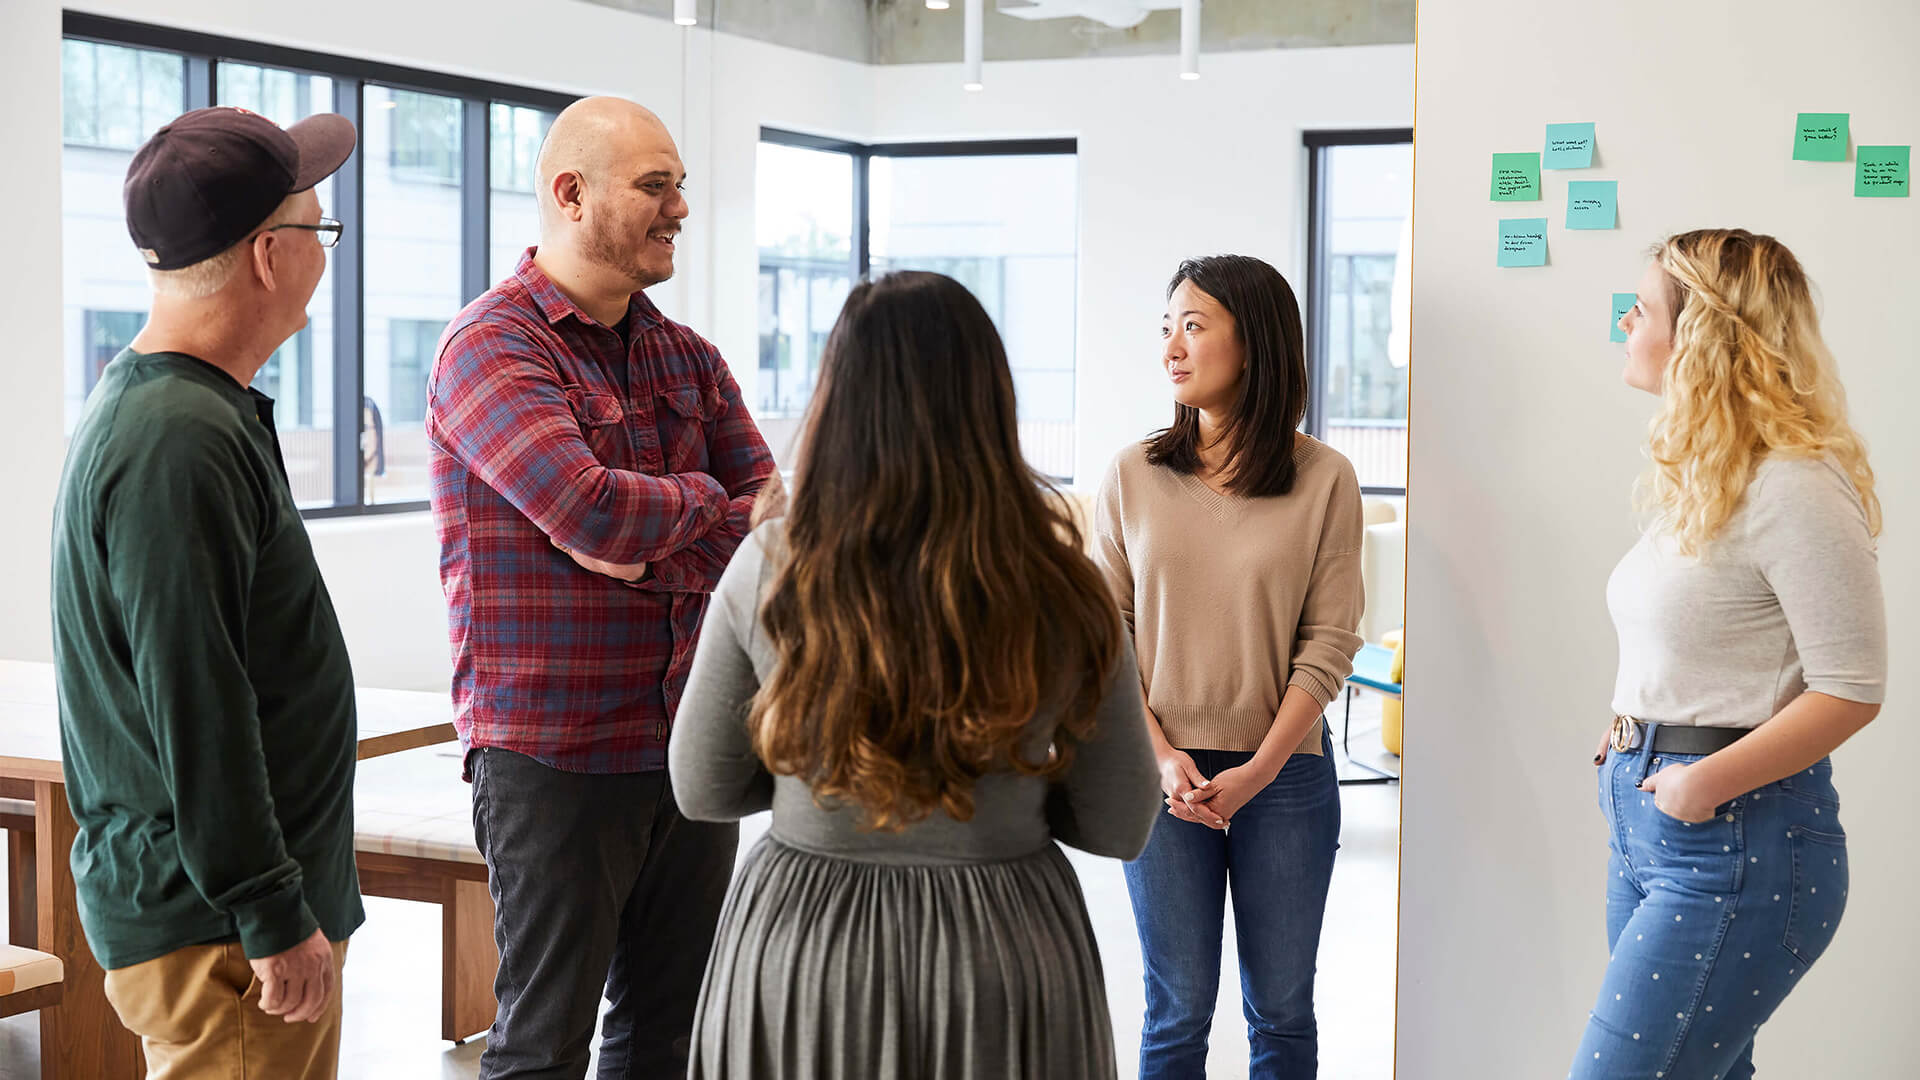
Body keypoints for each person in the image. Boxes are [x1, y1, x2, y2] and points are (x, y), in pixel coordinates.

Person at [668, 270, 1161, 1080]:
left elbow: (703, 786)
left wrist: (819, 780)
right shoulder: (1062, 584)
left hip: (805, 949)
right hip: (1003, 954)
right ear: (991, 405)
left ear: (838, 405)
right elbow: (1120, 821)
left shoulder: (772, 566)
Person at [425, 96, 775, 1078]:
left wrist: (651, 525)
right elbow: (592, 514)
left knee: (667, 1038)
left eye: (681, 187)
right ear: (570, 195)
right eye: (655, 186)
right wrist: (701, 507)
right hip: (554, 752)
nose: (680, 209)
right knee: (542, 1048)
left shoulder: (688, 357)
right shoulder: (492, 346)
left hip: (689, 743)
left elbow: (779, 529)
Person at [50, 105, 362, 1079]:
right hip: (223, 933)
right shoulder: (176, 439)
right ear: (270, 255)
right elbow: (196, 697)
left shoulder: (190, 412)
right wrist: (269, 907)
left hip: (234, 918)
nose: (326, 253)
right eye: (322, 230)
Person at [1570, 229, 1886, 1079]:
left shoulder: (1797, 484)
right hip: (1650, 830)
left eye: (1638, 310)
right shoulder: (1709, 478)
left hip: (1736, 839)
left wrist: (1699, 781)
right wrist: (1634, 718)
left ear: (1700, 332)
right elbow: (1699, 635)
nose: (1625, 327)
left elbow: (1852, 689)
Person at [1092, 254, 1364, 1079]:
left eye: (1194, 325)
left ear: (1257, 343)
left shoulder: (1325, 479)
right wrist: (1157, 753)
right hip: (1159, 775)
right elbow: (1106, 632)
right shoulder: (1133, 473)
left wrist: (1259, 767)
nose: (1171, 347)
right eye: (1165, 327)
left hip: (1284, 779)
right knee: (1175, 1014)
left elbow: (1329, 642)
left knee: (1281, 1015)